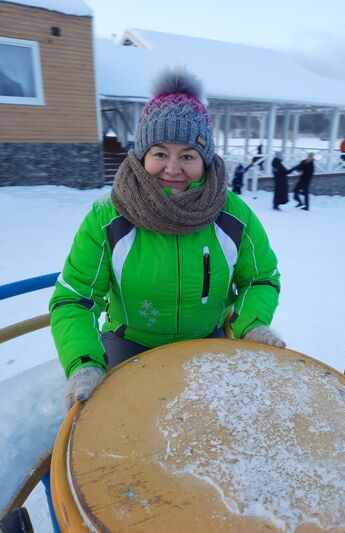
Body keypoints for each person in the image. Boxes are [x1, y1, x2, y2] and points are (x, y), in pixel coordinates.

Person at [49, 67, 285, 409]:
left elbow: (260, 278)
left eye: (187, 156)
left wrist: (252, 324)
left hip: (207, 342)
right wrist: (84, 362)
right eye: (160, 153)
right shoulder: (107, 218)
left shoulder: (233, 215)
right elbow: (75, 297)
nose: (172, 169)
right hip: (129, 344)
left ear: (205, 160)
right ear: (142, 155)